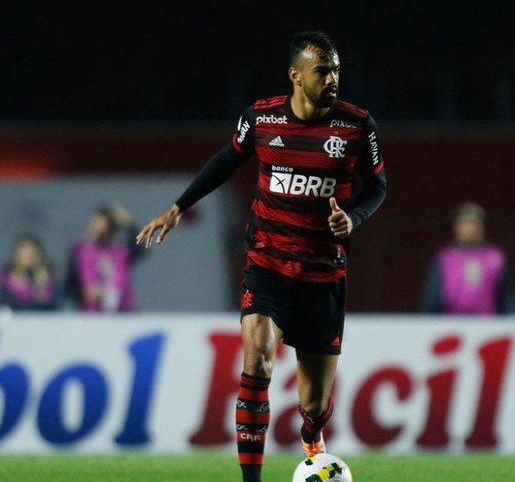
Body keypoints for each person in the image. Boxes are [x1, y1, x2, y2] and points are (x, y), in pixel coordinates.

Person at [136, 31, 386, 482]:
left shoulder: (356, 126)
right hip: (267, 265)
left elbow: (379, 185)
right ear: (296, 75)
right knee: (258, 361)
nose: (332, 79)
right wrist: (178, 208)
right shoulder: (262, 118)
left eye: (336, 71)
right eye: (322, 71)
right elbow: (225, 160)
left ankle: (313, 438)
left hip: (323, 275)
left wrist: (354, 218)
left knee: (313, 403)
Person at [421, 202, 515, 315]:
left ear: (482, 227)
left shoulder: (496, 257)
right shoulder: (445, 257)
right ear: (456, 227)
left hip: (488, 325)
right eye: (464, 223)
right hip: (450, 323)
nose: (469, 229)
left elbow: (507, 299)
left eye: (474, 223)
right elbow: (432, 298)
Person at [65, 202, 144, 312]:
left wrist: (128, 223)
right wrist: (84, 295)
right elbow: (69, 285)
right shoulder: (81, 250)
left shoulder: (121, 250)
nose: (98, 227)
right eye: (96, 222)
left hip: (123, 314)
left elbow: (142, 248)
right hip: (90, 316)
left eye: (103, 223)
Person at [1, 234, 58, 311]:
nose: (28, 258)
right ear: (15, 255)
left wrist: (43, 295)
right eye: (24, 254)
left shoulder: (47, 280)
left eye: (32, 253)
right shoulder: (5, 282)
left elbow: (56, 309)